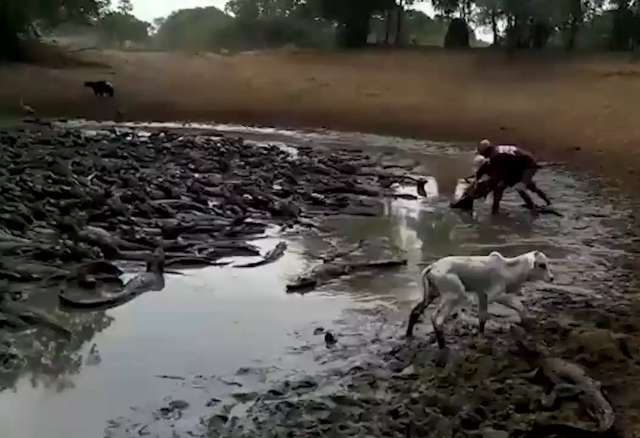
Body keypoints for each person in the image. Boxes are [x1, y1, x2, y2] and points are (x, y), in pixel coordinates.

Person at [473, 139, 551, 214]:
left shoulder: (494, 157)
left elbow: (499, 174)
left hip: (527, 166)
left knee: (518, 187)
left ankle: (533, 209)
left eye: (482, 153)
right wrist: (476, 179)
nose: (483, 155)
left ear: (485, 151)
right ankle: (547, 202)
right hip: (519, 165)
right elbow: (484, 169)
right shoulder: (496, 151)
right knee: (524, 186)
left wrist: (491, 184)